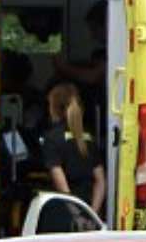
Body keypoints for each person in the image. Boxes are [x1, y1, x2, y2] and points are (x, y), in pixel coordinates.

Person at [41, 82, 107, 223]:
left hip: (64, 214)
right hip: (89, 211)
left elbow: (61, 184)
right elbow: (100, 180)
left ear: (54, 108)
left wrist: (76, 215)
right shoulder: (88, 138)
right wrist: (92, 215)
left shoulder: (52, 139)